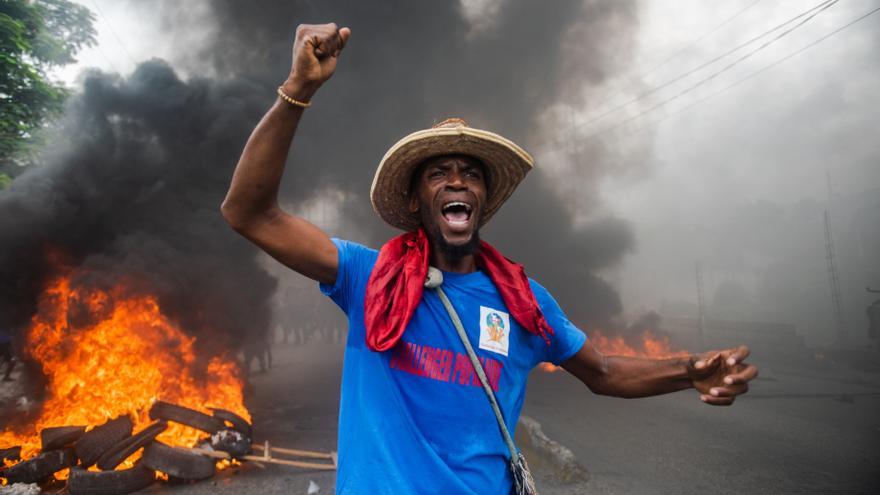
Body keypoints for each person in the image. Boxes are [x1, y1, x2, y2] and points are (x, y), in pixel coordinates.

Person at [222, 23, 759, 494]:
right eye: (438, 172)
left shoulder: (524, 302)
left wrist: (689, 371)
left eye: (470, 172)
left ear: (482, 200)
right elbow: (250, 213)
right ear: (415, 201)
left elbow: (604, 371)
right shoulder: (369, 277)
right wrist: (298, 90)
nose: (457, 179)